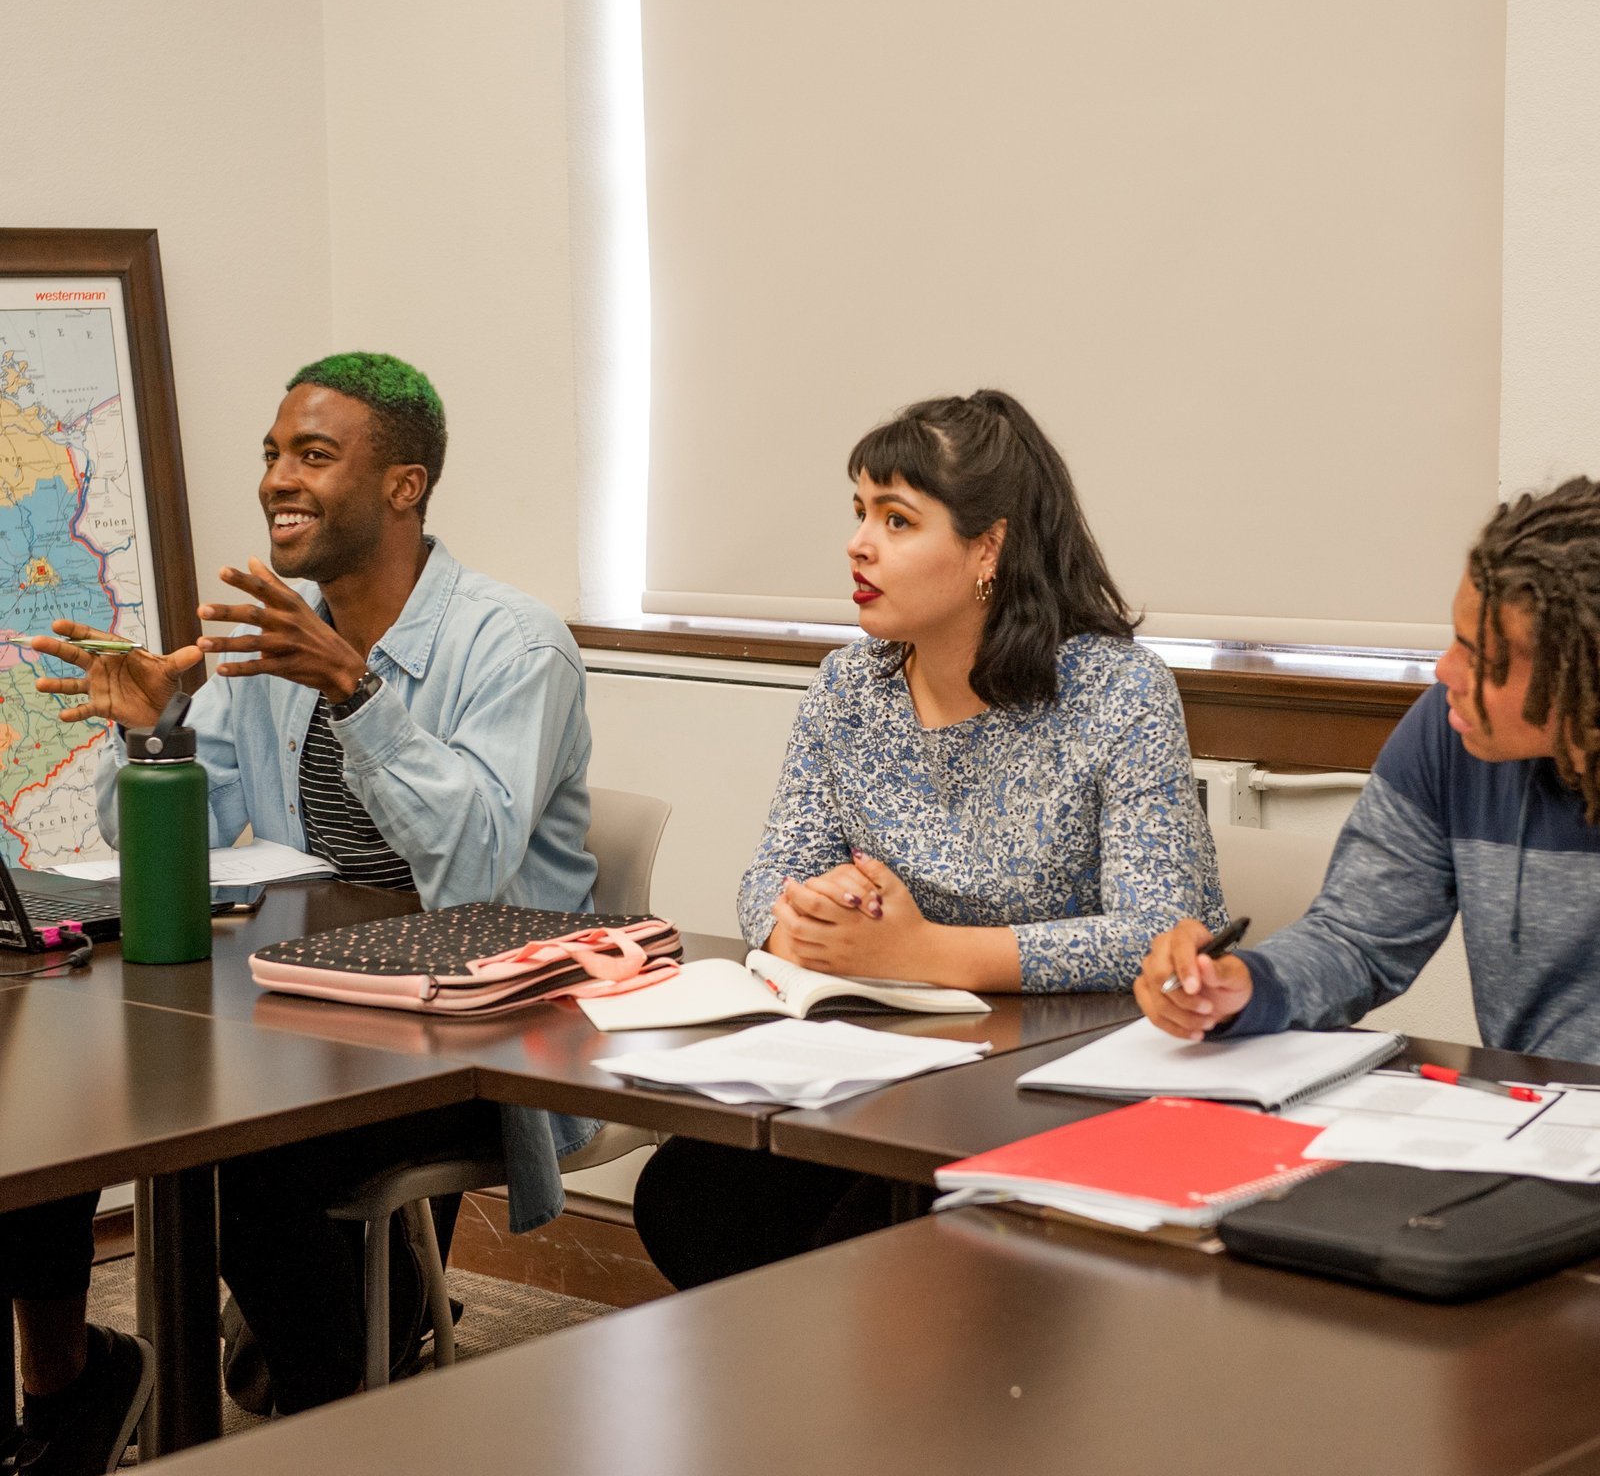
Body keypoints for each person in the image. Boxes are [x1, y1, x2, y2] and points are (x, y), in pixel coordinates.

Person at [0, 352, 600, 1465]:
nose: (280, 478)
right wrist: (154, 732)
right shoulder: (267, 634)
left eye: (314, 456)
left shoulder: (514, 644)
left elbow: (470, 870)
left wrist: (353, 688)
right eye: (274, 454)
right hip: (295, 1007)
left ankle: (345, 1424)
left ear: (403, 485)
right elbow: (153, 846)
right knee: (42, 1089)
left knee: (227, 1156)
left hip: (471, 1031)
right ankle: (70, 1381)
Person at [633, 388, 1226, 1288]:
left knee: (873, 1240)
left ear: (989, 546)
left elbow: (1161, 930)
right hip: (881, 1060)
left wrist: (924, 953)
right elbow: (769, 876)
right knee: (691, 1193)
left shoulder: (1118, 693)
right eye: (860, 512)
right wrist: (804, 916)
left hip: (1056, 1075)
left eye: (897, 520)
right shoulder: (850, 686)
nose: (858, 543)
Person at [1135, 477, 1600, 1058]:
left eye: (1480, 656)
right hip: (1536, 1123)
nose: (1444, 672)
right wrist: (1247, 986)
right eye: (1454, 640)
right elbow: (1355, 940)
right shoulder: (1451, 731)